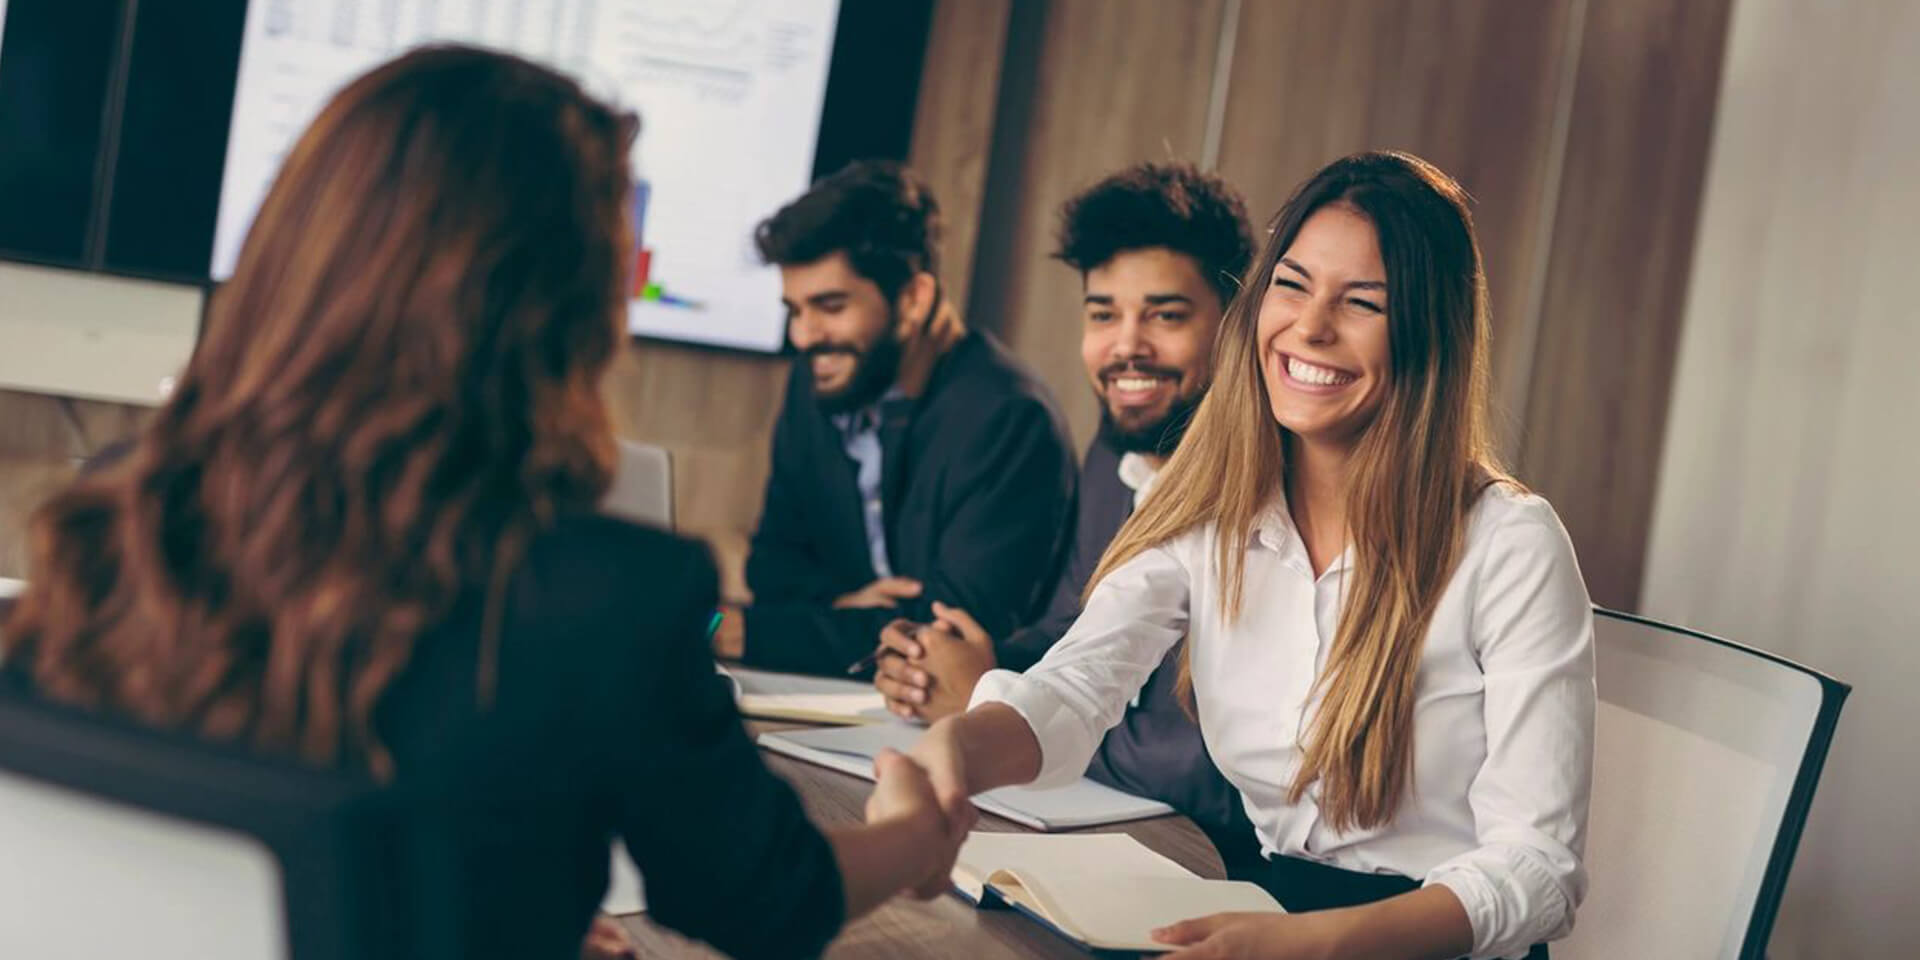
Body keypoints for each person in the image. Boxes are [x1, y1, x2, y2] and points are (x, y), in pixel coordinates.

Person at [0, 46, 961, 960]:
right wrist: (915, 835)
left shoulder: (123, 510)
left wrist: (497, 908)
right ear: (562, 308)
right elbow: (767, 900)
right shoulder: (603, 594)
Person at [907, 152, 1595, 960]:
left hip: (1419, 940)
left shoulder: (1511, 543)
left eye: (1362, 303)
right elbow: (1076, 687)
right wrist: (946, 755)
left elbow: (1538, 869)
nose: (1309, 327)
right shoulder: (1210, 505)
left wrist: (1311, 945)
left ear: (1426, 333)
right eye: (1293, 285)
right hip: (1266, 906)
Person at [871, 162, 1260, 852]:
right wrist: (973, 661)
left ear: (1235, 324)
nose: (1127, 345)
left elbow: (1210, 766)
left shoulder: (1273, 490)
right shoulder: (1115, 451)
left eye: (1166, 316)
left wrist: (990, 706)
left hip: (1216, 857)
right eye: (1104, 314)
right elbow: (1072, 625)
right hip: (1099, 827)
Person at [712, 161, 1076, 676]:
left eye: (830, 306)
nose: (804, 335)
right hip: (838, 699)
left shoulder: (1012, 419)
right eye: (795, 310)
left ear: (913, 298)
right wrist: (847, 608)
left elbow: (954, 631)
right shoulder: (816, 381)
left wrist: (753, 632)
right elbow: (773, 567)